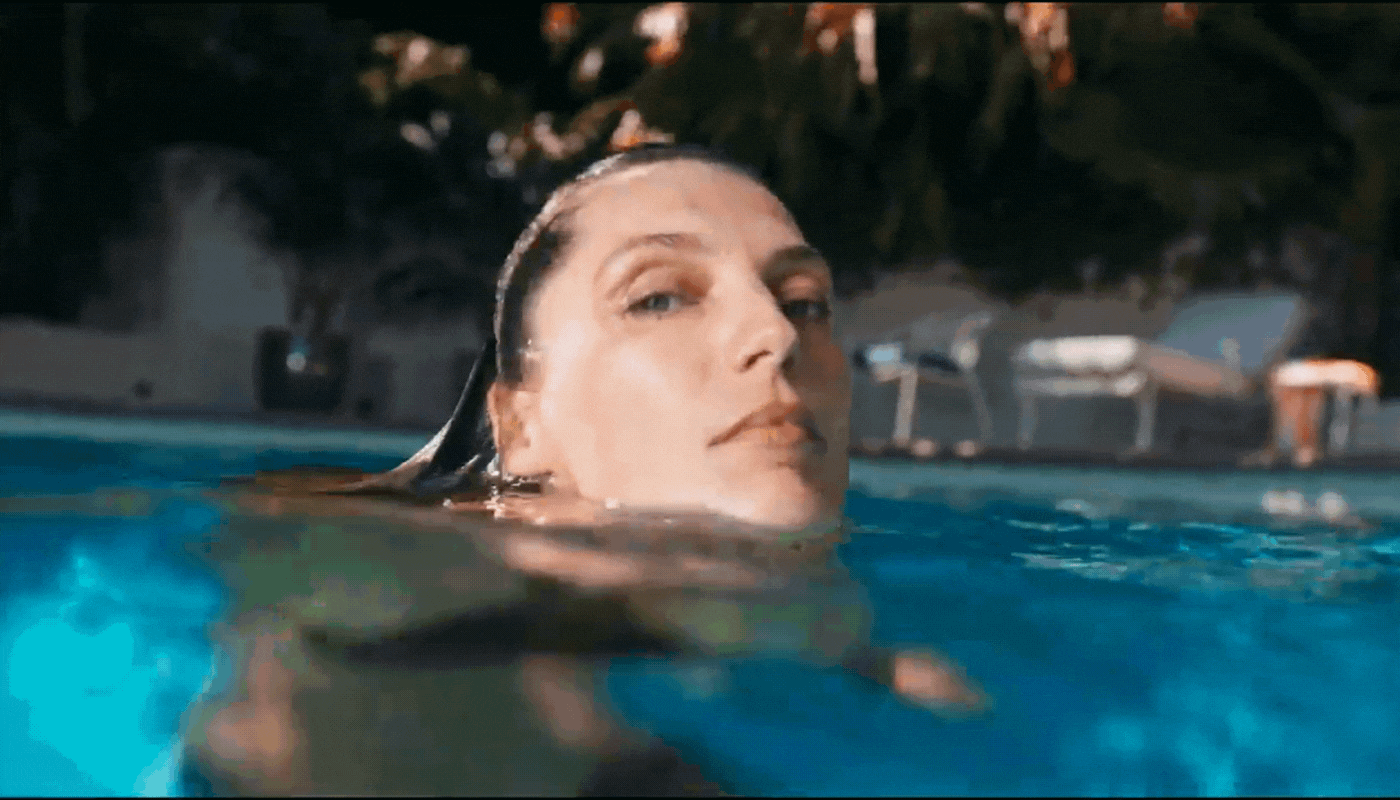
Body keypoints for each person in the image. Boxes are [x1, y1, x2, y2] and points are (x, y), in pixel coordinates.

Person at [186, 146, 987, 796]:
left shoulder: (808, 608)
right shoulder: (366, 572)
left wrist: (856, 655)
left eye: (804, 301)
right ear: (520, 425)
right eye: (660, 298)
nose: (776, 334)